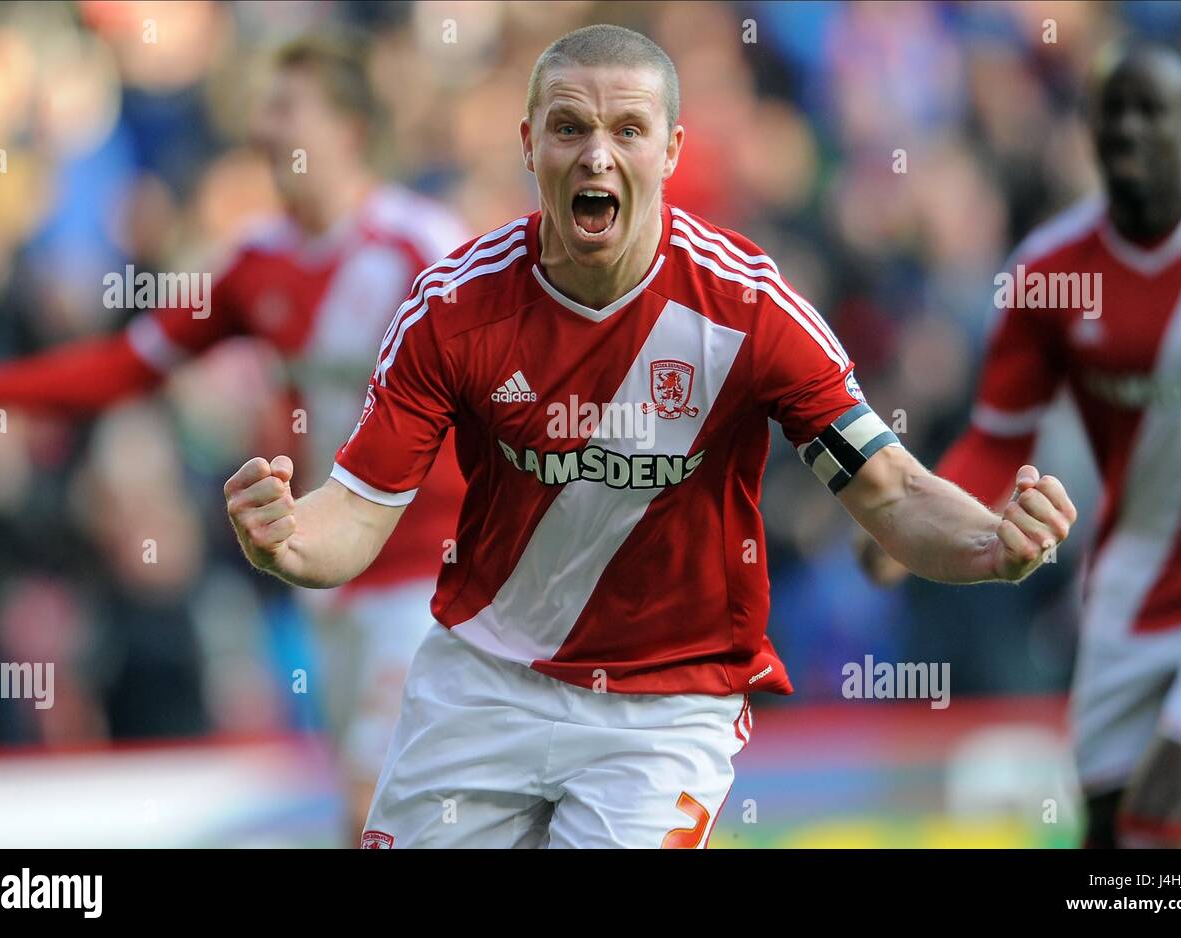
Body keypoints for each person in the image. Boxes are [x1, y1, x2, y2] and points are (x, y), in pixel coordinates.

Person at [223, 24, 1076, 849]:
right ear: (529, 146)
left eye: (628, 129)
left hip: (664, 710)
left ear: (670, 152)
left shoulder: (751, 311)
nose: (598, 155)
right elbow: (358, 515)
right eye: (570, 128)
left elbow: (890, 492)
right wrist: (288, 540)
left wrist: (991, 542)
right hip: (485, 683)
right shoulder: (452, 307)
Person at [0, 36, 468, 833]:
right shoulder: (255, 264)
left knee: (384, 800)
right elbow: (129, 365)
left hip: (431, 578)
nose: (265, 123)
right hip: (327, 573)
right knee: (365, 810)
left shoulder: (423, 247)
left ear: (348, 130)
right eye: (265, 104)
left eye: (288, 104)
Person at [857, 44, 1181, 848]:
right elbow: (999, 443)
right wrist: (904, 520)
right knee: (1108, 842)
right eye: (1112, 112)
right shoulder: (1048, 274)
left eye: (1152, 112)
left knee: (1164, 819)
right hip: (1127, 586)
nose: (1129, 130)